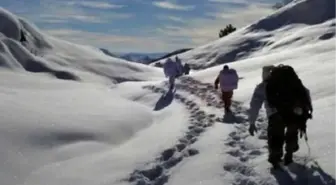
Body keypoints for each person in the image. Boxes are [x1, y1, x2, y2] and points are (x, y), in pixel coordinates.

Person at [248, 64, 313, 168]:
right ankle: (289, 155)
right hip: (294, 113)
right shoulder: (291, 81)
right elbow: (305, 92)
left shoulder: (263, 86)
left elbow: (255, 105)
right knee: (292, 134)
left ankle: (275, 160)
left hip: (275, 115)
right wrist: (305, 110)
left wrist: (252, 121)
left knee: (275, 137)